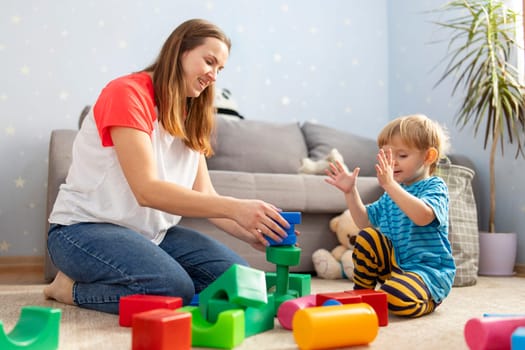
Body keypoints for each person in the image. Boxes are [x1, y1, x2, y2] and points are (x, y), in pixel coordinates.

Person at [43, 18, 290, 315]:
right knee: (172, 289)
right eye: (209, 61)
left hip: (152, 236)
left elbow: (206, 195)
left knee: (241, 280)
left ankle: (137, 271)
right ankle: (68, 289)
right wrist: (236, 207)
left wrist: (253, 231)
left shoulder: (191, 112)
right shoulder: (127, 93)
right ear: (180, 51)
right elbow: (146, 190)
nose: (213, 75)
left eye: (219, 69)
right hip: (83, 230)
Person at [325, 114, 456, 317]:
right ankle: (362, 294)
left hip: (428, 273)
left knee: (393, 297)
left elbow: (423, 216)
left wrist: (390, 185)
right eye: (387, 155)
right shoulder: (391, 194)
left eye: (402, 156)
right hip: (395, 267)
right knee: (368, 236)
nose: (392, 162)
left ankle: (430, 301)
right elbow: (363, 222)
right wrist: (350, 192)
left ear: (428, 156)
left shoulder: (435, 186)